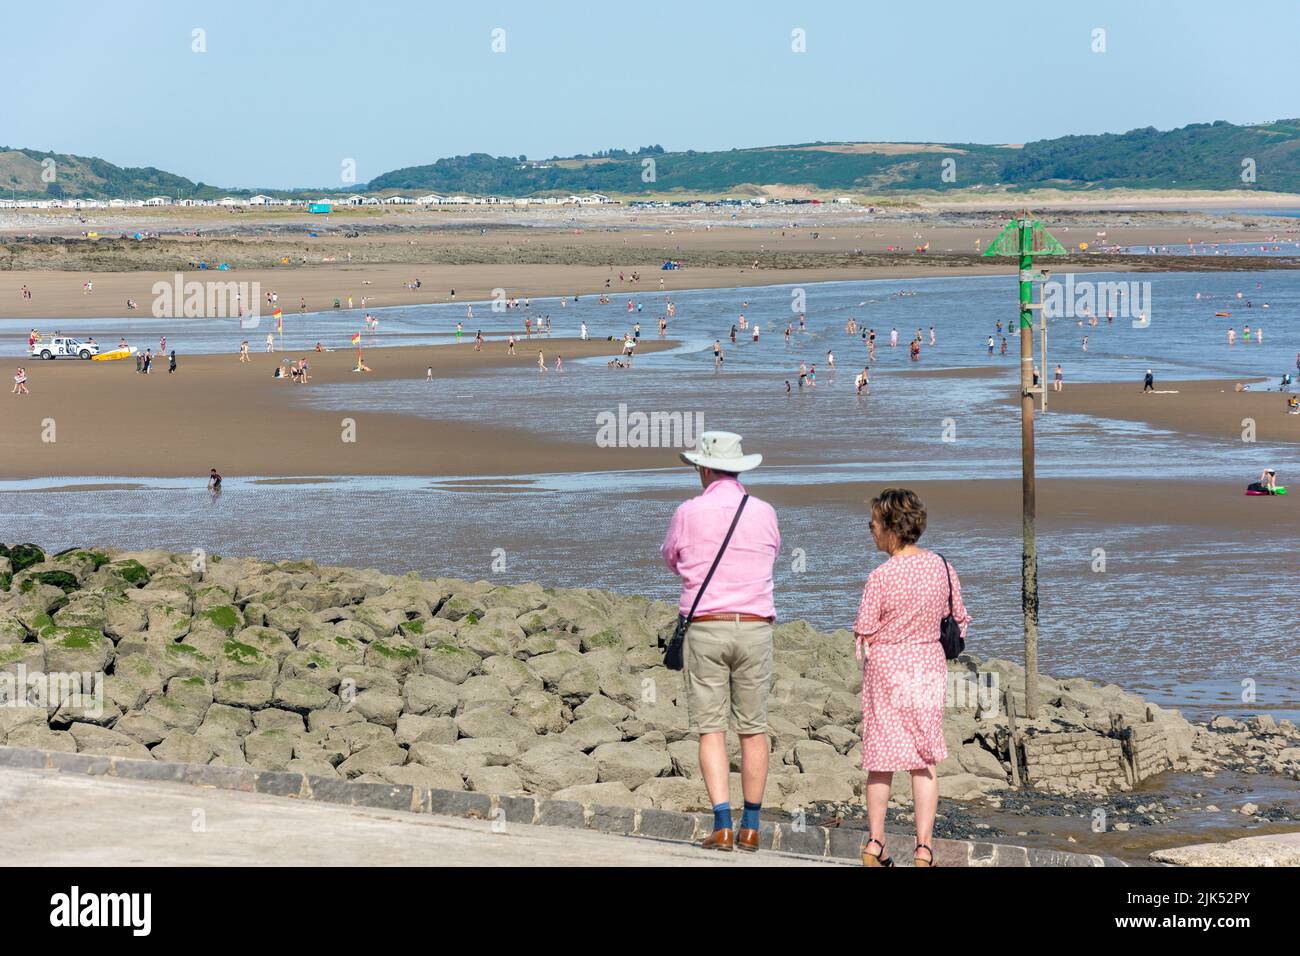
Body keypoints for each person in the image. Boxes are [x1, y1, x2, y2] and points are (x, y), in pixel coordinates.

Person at [661, 432, 780, 853]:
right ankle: (751, 825)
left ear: (706, 469)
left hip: (706, 625)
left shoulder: (688, 511)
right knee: (753, 728)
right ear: (740, 468)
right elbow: (772, 553)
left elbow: (672, 558)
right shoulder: (764, 511)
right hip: (755, 624)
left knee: (710, 727)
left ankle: (722, 824)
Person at [854, 488, 970, 868]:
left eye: (873, 524)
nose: (870, 530)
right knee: (924, 761)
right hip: (925, 665)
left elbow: (865, 629)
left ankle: (875, 843)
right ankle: (923, 849)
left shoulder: (881, 576)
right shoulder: (942, 566)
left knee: (880, 760)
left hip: (887, 667)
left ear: (890, 528)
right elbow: (959, 619)